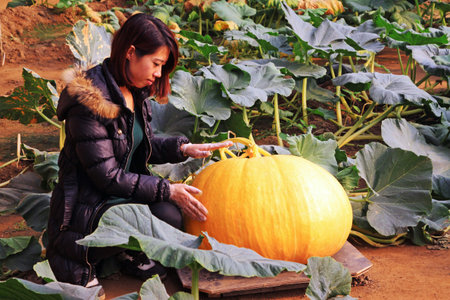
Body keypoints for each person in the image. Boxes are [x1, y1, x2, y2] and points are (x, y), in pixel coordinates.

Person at [46, 13, 231, 296]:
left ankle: (122, 252)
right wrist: (167, 188)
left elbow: (139, 145)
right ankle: (85, 259)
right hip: (89, 204)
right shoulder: (89, 102)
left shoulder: (135, 90)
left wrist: (182, 148)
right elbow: (106, 176)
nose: (158, 74)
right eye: (156, 64)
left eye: (162, 66)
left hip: (119, 195)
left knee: (169, 215)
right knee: (163, 205)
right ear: (131, 52)